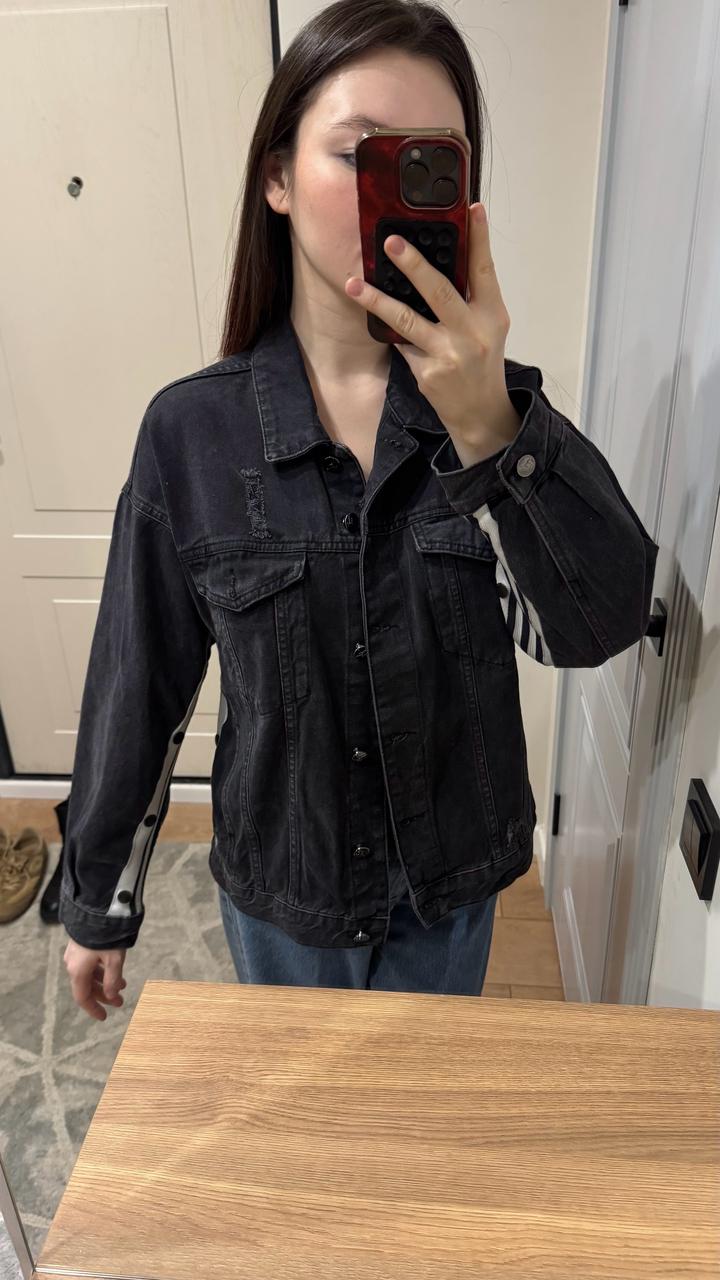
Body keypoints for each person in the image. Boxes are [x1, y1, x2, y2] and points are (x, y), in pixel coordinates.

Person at [61, 0, 660, 1020]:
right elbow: (141, 683)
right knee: (306, 1110)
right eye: (358, 154)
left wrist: (491, 430)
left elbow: (595, 625)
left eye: (431, 162)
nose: (393, 191)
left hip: (451, 893)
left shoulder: (499, 414)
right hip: (286, 890)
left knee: (418, 1108)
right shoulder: (191, 434)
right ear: (277, 178)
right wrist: (98, 903)